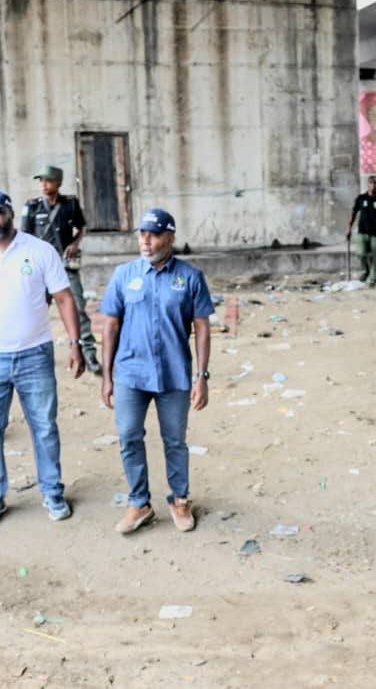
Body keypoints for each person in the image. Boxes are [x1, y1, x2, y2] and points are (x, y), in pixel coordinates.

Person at [0, 189, 84, 530]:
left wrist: (75, 343)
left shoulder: (39, 251)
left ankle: (52, 492)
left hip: (35, 356)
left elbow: (64, 299)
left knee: (44, 428)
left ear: (9, 212)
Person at [99, 208, 214, 535]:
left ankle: (179, 499)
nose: (146, 241)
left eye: (154, 234)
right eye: (142, 234)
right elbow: (110, 325)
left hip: (173, 374)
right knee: (129, 436)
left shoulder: (190, 278)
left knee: (174, 440)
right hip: (130, 375)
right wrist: (107, 376)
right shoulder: (124, 275)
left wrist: (202, 377)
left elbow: (202, 328)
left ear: (171, 238)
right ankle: (139, 503)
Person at [21, 165, 101, 374]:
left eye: (47, 180)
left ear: (58, 183)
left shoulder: (70, 205)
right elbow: (24, 237)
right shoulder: (32, 207)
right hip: (39, 268)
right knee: (34, 310)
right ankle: (31, 353)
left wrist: (75, 243)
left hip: (65, 266)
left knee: (78, 308)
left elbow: (81, 227)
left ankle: (88, 353)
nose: (43, 185)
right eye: (41, 181)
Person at [347, 176, 376, 287]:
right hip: (362, 232)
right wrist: (349, 229)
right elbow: (353, 214)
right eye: (370, 183)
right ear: (367, 184)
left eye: (375, 183)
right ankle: (367, 271)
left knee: (373, 257)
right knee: (360, 254)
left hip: (375, 234)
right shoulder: (361, 198)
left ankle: (372, 280)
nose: (372, 185)